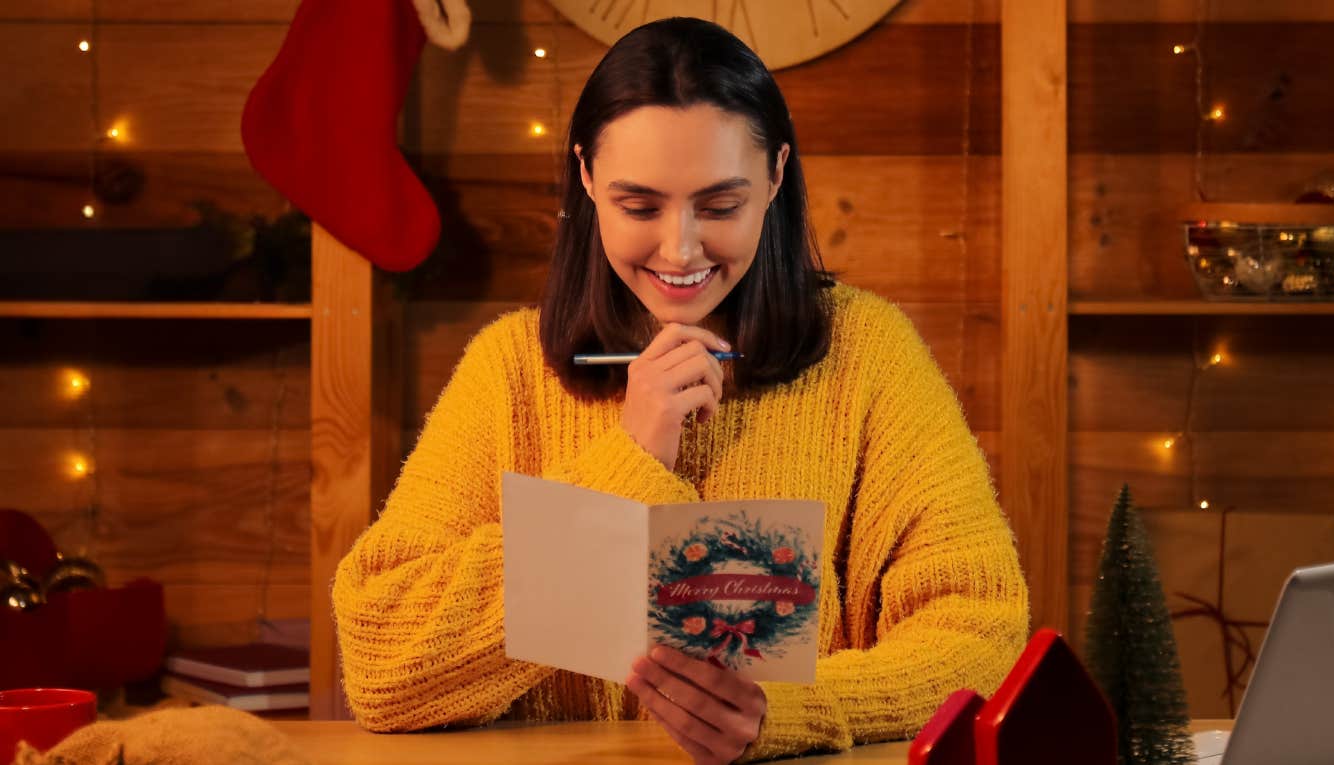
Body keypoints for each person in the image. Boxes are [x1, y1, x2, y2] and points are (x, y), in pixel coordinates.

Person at [332, 16, 1028, 765]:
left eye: (720, 206)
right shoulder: (508, 368)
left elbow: (981, 634)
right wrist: (628, 464)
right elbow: (384, 666)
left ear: (776, 176)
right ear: (588, 179)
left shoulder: (869, 354)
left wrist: (792, 708)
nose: (680, 248)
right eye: (640, 206)